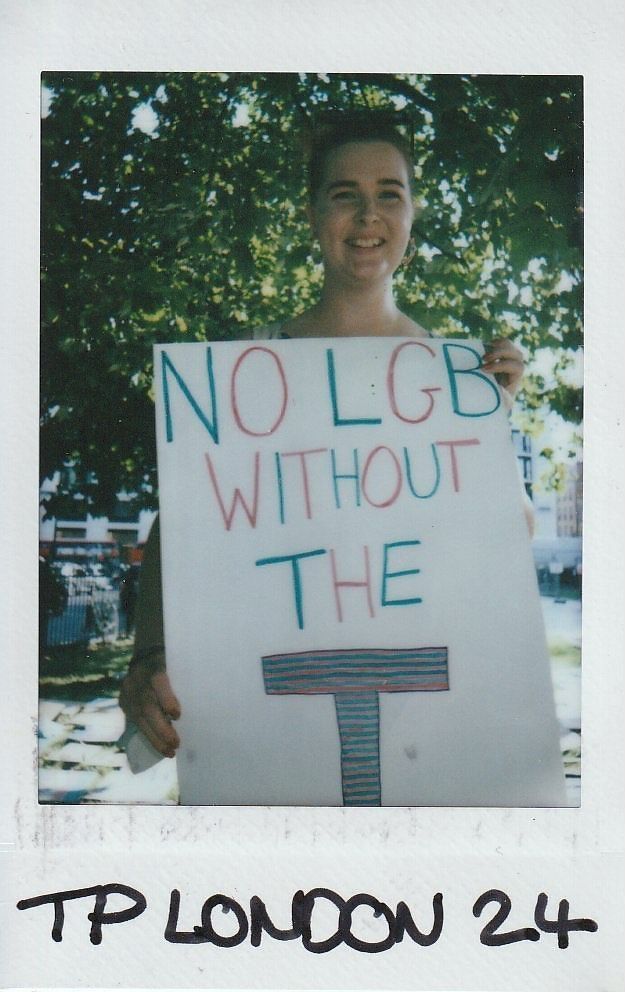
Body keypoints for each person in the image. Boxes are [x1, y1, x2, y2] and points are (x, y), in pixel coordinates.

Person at [119, 115, 526, 761]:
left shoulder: (462, 385)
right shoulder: (250, 369)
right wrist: (146, 655)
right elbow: (186, 525)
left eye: (389, 192)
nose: (368, 215)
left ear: (412, 212)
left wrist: (489, 430)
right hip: (272, 724)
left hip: (427, 731)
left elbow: (498, 553)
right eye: (344, 194)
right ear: (312, 214)